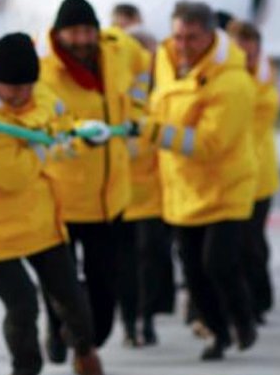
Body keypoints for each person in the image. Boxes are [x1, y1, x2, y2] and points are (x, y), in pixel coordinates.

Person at [0, 32, 104, 375]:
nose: (21, 96)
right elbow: (14, 175)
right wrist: (47, 149)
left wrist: (82, 133)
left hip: (42, 218)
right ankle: (25, 369)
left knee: (71, 297)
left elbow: (60, 124)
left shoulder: (37, 91)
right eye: (12, 90)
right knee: (22, 305)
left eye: (27, 88)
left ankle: (84, 350)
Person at [138, 0, 258, 361]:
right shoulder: (165, 65)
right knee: (192, 272)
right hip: (182, 189)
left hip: (226, 188)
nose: (183, 44)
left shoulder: (232, 80)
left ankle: (242, 320)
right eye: (177, 36)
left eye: (192, 37)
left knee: (218, 263)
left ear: (210, 35)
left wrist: (151, 132)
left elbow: (209, 143)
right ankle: (217, 334)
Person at [36, 0, 152, 358]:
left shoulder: (117, 49)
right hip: (62, 198)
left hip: (109, 198)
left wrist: (136, 107)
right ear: (59, 34)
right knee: (60, 282)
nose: (83, 40)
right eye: (74, 33)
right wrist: (79, 133)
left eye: (89, 31)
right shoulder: (42, 68)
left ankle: (92, 340)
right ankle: (59, 333)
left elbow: (146, 65)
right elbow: (40, 123)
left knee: (105, 284)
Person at [115, 28, 176, 348]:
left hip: (155, 192)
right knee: (126, 264)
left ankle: (147, 317)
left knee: (152, 257)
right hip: (122, 191)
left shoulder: (165, 88)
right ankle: (129, 320)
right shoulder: (116, 88)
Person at [228, 19, 280, 324]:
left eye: (251, 45)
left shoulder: (263, 80)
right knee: (233, 244)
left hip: (259, 174)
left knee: (252, 242)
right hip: (232, 175)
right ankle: (243, 302)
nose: (246, 52)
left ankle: (259, 299)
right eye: (240, 45)